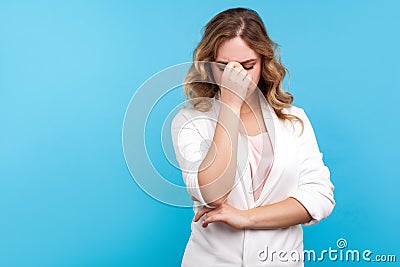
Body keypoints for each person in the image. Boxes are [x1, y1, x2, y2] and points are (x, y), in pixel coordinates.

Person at [171, 7, 335, 266]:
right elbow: (213, 194)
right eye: (224, 68)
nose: (238, 78)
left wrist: (246, 218)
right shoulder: (191, 120)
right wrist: (231, 105)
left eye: (247, 66)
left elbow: (320, 198)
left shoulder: (294, 119)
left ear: (263, 63)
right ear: (210, 67)